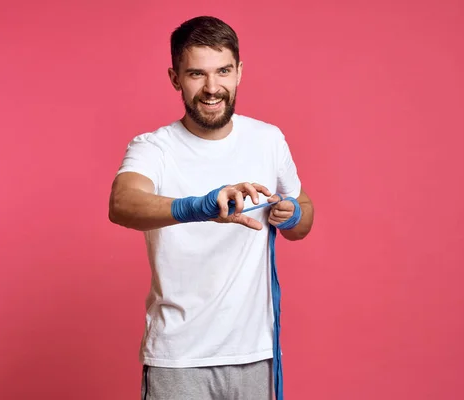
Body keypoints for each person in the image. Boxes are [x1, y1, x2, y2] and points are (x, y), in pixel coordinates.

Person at [108, 15, 314, 400]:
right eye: (196, 74)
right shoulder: (153, 147)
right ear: (175, 78)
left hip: (256, 354)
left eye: (223, 71)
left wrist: (293, 214)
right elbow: (122, 203)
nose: (212, 87)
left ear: (239, 71)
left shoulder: (268, 140)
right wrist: (197, 206)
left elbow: (302, 211)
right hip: (178, 358)